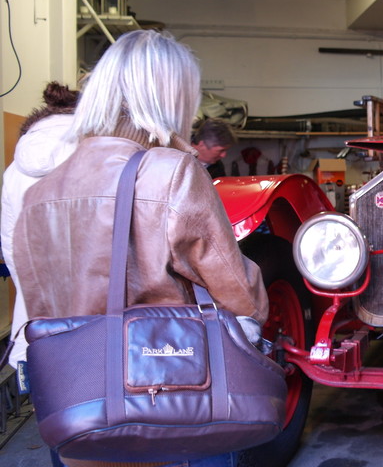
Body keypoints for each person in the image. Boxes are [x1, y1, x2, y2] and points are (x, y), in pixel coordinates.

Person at [12, 30, 268, 467]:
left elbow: (42, 302)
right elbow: (237, 293)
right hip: (171, 400)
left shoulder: (40, 192)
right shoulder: (170, 172)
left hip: (76, 409)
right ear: (173, 99)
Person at [1, 82, 79, 368]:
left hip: (33, 313)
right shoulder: (95, 159)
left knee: (38, 372)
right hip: (87, 319)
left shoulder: (14, 170)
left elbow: (11, 245)